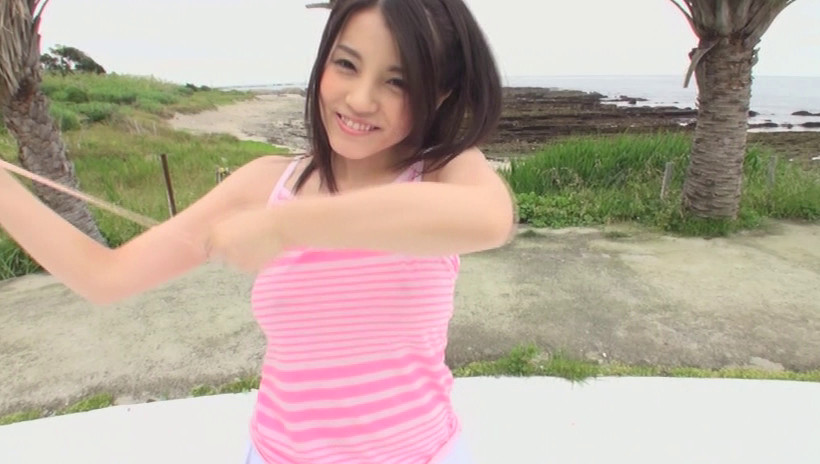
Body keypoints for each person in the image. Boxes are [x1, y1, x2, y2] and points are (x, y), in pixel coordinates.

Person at [0, 0, 515, 462]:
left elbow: (490, 218)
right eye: (346, 64)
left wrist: (286, 226)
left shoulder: (443, 171)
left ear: (440, 94)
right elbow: (105, 276)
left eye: (397, 82)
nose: (360, 99)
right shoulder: (266, 184)